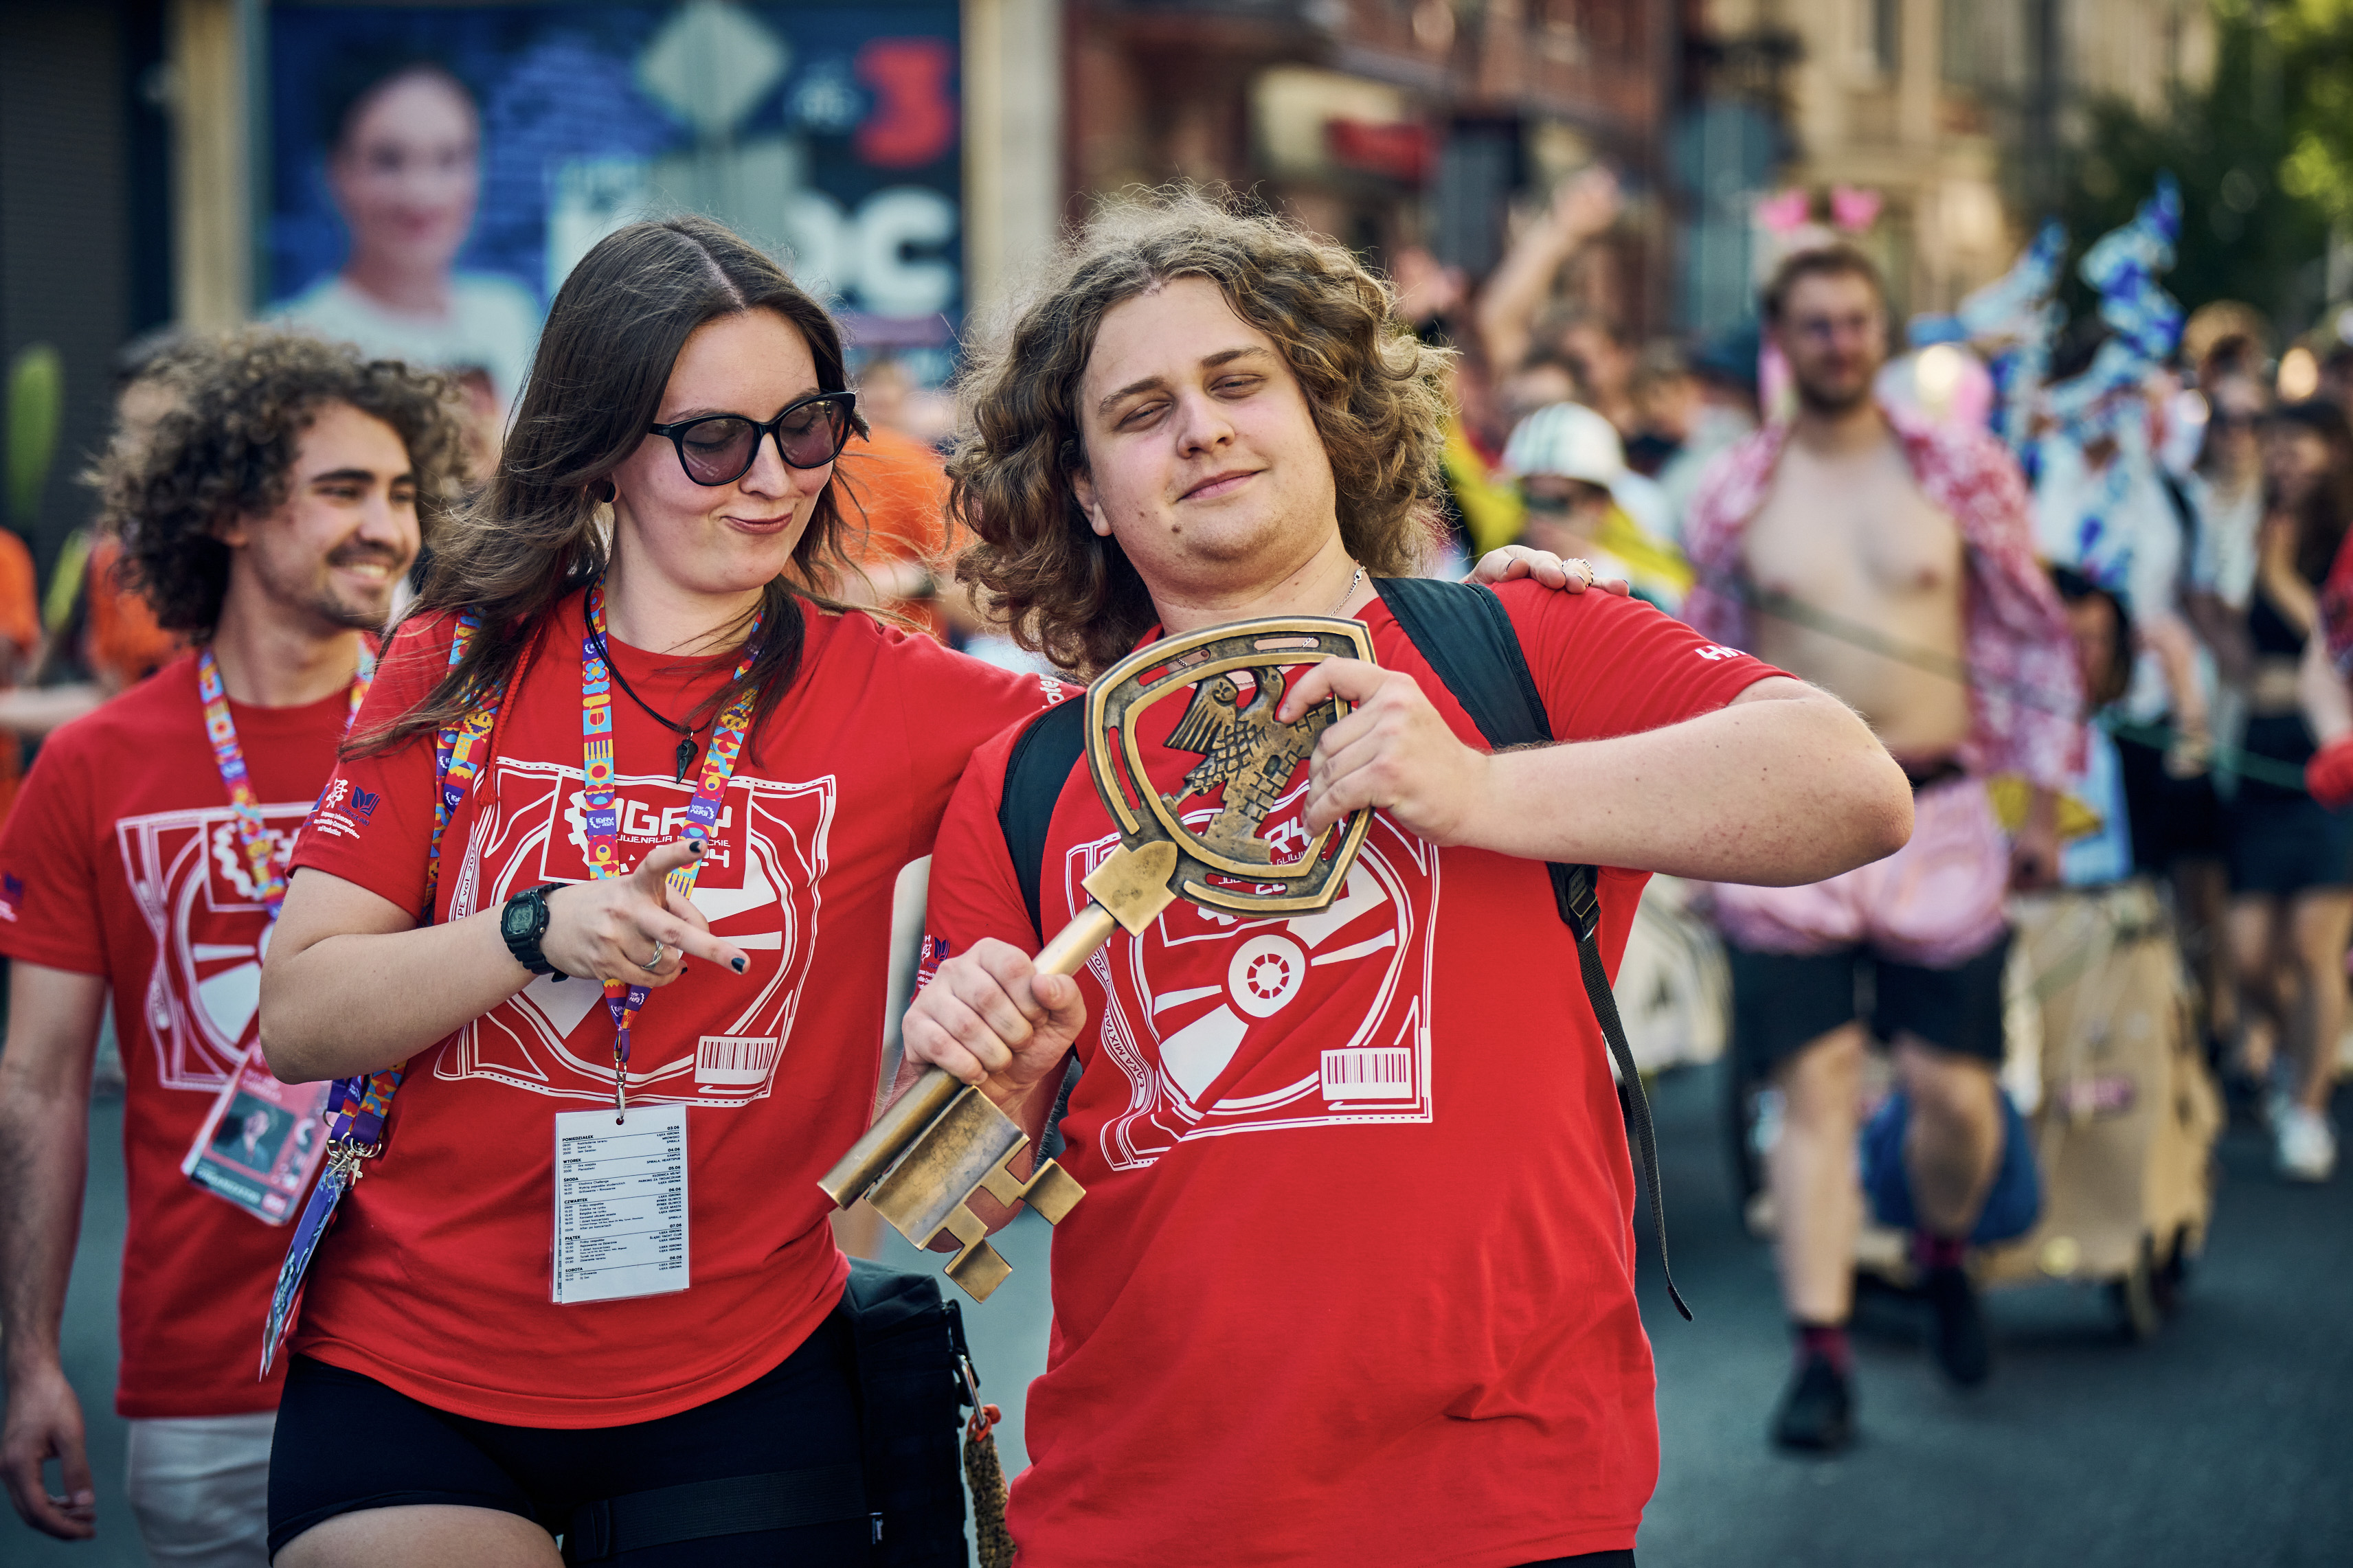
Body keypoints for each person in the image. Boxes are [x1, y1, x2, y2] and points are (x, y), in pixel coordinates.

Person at [250, 213, 1592, 1566]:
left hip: (736, 1372)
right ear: (603, 444)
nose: (767, 479)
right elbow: (302, 1013)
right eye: (712, 439)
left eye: (805, 427)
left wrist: (1459, 617)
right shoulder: (457, 663)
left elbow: (1180, 703)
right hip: (413, 1362)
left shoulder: (931, 707)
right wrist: (534, 927)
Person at [901, 190, 1911, 1566]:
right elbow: (954, 1206)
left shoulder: (1522, 645)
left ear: (1320, 409)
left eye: (1236, 382)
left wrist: (1483, 789)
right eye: (1136, 411)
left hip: (1501, 1505)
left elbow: (1848, 787)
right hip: (1132, 1515)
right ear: (1081, 484)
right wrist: (983, 1071)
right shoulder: (1021, 780)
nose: (1197, 427)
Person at [0, 328, 463, 1565]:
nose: (388, 525)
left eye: (405, 492)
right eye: (343, 491)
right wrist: (29, 1356)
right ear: (228, 512)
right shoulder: (92, 768)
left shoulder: (463, 737)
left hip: (455, 1346)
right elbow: (38, 1082)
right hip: (208, 1362)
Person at [1680, 245, 2082, 1448]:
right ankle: (1820, 1353)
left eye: (1857, 321)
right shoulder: (1733, 495)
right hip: (1792, 824)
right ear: (1782, 338)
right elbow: (1697, 666)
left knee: (1953, 1097)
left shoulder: (1961, 470)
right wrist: (1696, 833)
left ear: (1882, 332)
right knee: (1816, 1096)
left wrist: (2046, 805)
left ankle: (1945, 1249)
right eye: (1815, 324)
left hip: (1945, 817)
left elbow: (2033, 630)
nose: (1839, 342)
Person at [2220, 400, 2353, 1181]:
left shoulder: (2336, 545)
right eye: (2272, 447)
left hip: (2331, 757)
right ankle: (2293, 1056)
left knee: (2311, 945)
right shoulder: (2252, 523)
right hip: (2261, 747)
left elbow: (2328, 642)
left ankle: (2306, 1104)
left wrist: (2274, 574)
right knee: (2246, 957)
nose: (2283, 460)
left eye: (2298, 445)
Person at [273, 58, 539, 414]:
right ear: (335, 172)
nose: (421, 194)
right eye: (388, 161)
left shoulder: (508, 314)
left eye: (448, 159)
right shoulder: (294, 344)